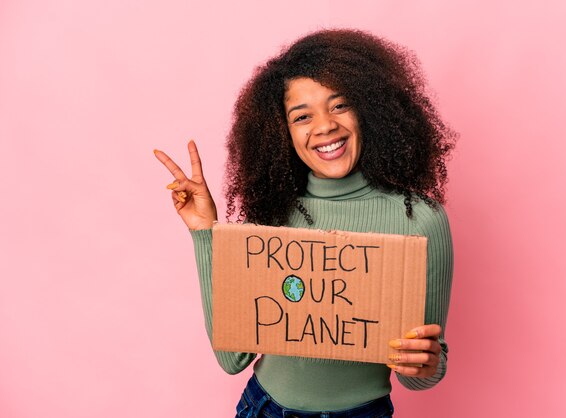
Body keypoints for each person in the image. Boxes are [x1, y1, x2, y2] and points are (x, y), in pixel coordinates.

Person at [154, 29, 455, 418]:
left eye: (340, 105)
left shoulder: (421, 220)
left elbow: (422, 374)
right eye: (302, 116)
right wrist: (205, 233)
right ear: (283, 132)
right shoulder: (271, 216)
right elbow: (232, 358)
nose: (325, 126)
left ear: (370, 109)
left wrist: (425, 363)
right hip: (264, 408)